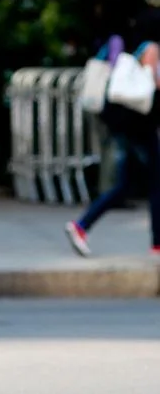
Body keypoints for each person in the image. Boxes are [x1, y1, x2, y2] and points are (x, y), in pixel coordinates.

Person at [66, 37, 160, 256]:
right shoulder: (143, 64)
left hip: (135, 136)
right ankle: (157, 244)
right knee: (154, 188)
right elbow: (146, 99)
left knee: (125, 188)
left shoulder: (142, 68)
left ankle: (81, 227)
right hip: (139, 137)